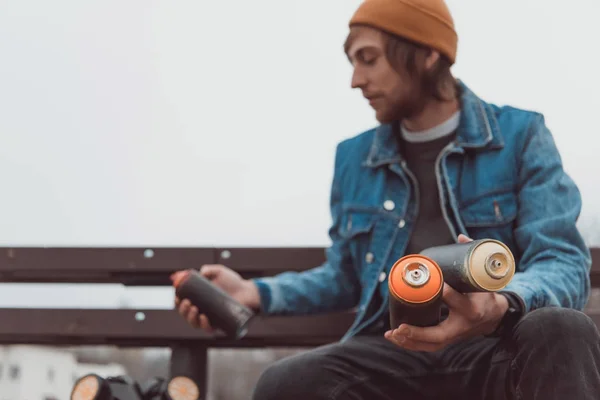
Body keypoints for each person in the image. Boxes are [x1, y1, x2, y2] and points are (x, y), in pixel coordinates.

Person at [175, 0, 600, 398]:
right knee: (287, 382)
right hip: (391, 352)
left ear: (426, 53)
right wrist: (254, 292)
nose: (356, 80)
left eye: (368, 59)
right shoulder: (355, 158)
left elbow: (562, 260)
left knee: (561, 329)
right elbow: (344, 275)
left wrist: (502, 302)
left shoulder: (520, 136)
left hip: (491, 348)